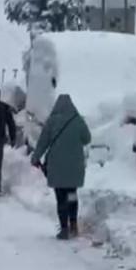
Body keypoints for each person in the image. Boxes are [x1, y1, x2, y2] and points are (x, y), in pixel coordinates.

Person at [30, 94, 91, 240]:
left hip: (57, 167)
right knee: (72, 194)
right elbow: (87, 139)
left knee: (61, 197)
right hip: (74, 166)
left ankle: (64, 228)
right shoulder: (78, 121)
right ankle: (73, 224)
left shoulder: (52, 122)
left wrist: (36, 157)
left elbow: (43, 142)